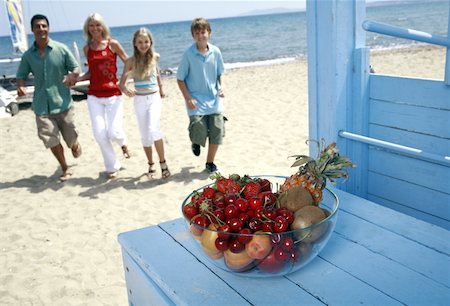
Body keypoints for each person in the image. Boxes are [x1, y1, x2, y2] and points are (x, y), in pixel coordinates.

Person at [16, 14, 82, 182]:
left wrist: (71, 77)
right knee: (50, 139)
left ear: (48, 28)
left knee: (70, 136)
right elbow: (21, 75)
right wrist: (21, 86)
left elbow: (75, 67)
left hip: (63, 103)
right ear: (32, 30)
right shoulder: (28, 56)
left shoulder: (61, 49)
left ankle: (74, 144)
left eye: (44, 26)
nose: (41, 29)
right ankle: (65, 167)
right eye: (37, 26)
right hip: (41, 106)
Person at [78, 13, 130, 179]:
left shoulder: (112, 44)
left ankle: (123, 143)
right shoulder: (87, 48)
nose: (94, 28)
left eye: (97, 25)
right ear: (88, 28)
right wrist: (77, 78)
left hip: (114, 94)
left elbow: (128, 62)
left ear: (103, 27)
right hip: (94, 95)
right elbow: (91, 72)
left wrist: (123, 82)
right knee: (100, 134)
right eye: (91, 25)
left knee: (114, 132)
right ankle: (112, 165)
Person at [119, 28, 171, 179]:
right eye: (140, 42)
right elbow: (121, 83)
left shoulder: (155, 57)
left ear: (151, 42)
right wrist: (126, 90)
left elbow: (157, 73)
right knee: (145, 135)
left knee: (154, 129)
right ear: (135, 43)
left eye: (146, 41)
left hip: (154, 98)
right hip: (139, 100)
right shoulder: (130, 61)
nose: (143, 45)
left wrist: (161, 88)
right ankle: (151, 164)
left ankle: (163, 163)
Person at [177, 17, 225, 173]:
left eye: (203, 32)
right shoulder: (188, 54)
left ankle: (209, 163)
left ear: (209, 33)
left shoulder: (216, 52)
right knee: (199, 130)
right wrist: (188, 98)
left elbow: (221, 73)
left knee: (217, 132)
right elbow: (180, 79)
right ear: (193, 35)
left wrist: (222, 87)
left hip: (214, 101)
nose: (200, 35)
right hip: (196, 102)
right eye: (196, 33)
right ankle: (195, 141)